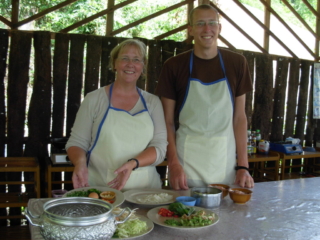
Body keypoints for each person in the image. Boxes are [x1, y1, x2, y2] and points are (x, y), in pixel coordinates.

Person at [156, 4, 254, 190]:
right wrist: (174, 163)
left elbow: (240, 118)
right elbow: (167, 122)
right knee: (186, 216)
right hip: (186, 166)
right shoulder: (175, 65)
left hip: (224, 163)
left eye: (212, 23)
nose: (207, 29)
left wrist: (243, 166)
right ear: (191, 29)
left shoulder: (237, 63)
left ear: (219, 28)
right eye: (200, 23)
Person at [66, 39, 167, 191]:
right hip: (100, 189)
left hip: (146, 193)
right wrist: (80, 164)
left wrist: (133, 163)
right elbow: (77, 142)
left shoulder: (153, 103)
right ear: (114, 64)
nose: (130, 64)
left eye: (136, 60)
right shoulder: (94, 99)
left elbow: (159, 147)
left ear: (142, 66)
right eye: (124, 58)